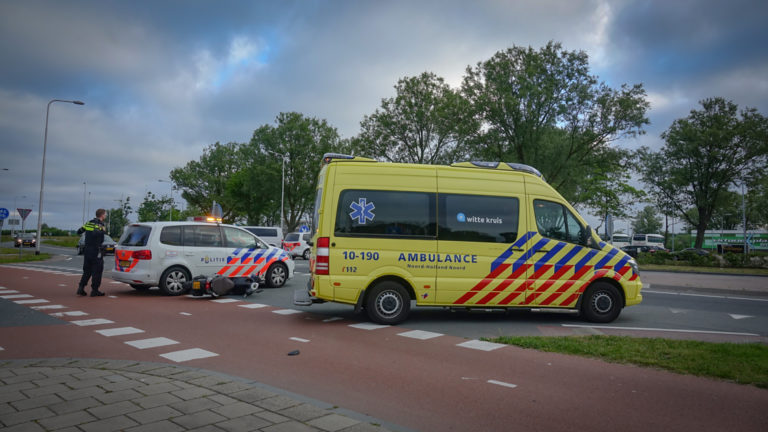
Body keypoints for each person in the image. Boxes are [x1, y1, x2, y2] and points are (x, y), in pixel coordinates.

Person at [76, 208, 107, 297]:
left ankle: (81, 287)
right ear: (102, 215)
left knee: (87, 270)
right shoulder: (100, 225)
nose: (105, 216)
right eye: (105, 214)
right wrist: (102, 230)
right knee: (97, 270)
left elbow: (79, 231)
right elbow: (102, 234)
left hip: (87, 250)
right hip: (96, 250)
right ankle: (95, 290)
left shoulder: (89, 223)